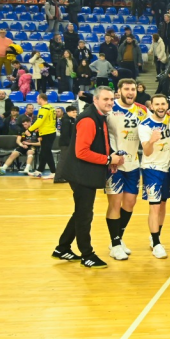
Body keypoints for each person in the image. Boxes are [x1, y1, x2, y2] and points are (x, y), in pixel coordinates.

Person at [53, 87, 123, 268]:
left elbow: (100, 144)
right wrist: (108, 159)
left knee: (80, 212)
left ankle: (62, 248)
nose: (110, 102)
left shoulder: (100, 116)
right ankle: (87, 254)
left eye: (111, 99)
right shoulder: (88, 120)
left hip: (85, 173)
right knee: (85, 215)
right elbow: (82, 152)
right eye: (105, 99)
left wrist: (111, 156)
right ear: (96, 100)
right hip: (80, 174)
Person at [105, 79, 147, 261]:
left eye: (133, 89)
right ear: (119, 91)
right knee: (115, 204)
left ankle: (118, 238)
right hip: (115, 165)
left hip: (133, 163)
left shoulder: (142, 110)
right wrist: (108, 157)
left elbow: (157, 120)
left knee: (130, 203)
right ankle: (115, 245)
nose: (130, 92)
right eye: (127, 89)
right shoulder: (110, 108)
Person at [138, 94, 170, 258]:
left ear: (167, 105)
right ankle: (157, 243)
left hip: (169, 168)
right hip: (152, 168)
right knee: (154, 206)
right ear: (151, 106)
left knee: (163, 205)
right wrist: (151, 141)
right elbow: (146, 152)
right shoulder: (145, 125)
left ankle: (155, 236)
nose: (160, 107)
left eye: (163, 104)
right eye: (157, 104)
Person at [25, 92, 58, 179]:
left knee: (47, 152)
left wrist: (29, 130)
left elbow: (39, 121)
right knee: (43, 152)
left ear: (41, 99)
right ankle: (39, 171)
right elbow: (47, 121)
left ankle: (54, 172)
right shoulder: (51, 107)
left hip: (47, 133)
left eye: (37, 98)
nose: (36, 100)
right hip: (50, 131)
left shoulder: (44, 109)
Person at [53, 105, 78, 183]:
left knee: (68, 161)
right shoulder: (66, 120)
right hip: (66, 144)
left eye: (76, 112)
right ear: (68, 112)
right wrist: (70, 144)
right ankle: (58, 177)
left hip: (70, 143)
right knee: (63, 160)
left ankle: (66, 176)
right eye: (73, 112)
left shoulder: (72, 119)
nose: (75, 114)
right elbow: (65, 134)